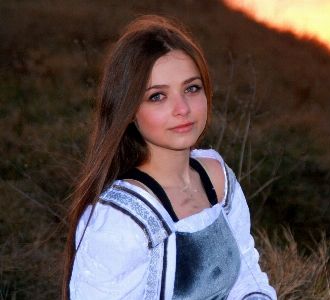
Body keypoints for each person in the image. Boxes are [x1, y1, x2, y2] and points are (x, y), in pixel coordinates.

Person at [62, 15, 277, 300]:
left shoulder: (217, 178)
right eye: (157, 96)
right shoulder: (120, 219)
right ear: (128, 111)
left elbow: (246, 274)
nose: (183, 108)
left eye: (191, 88)